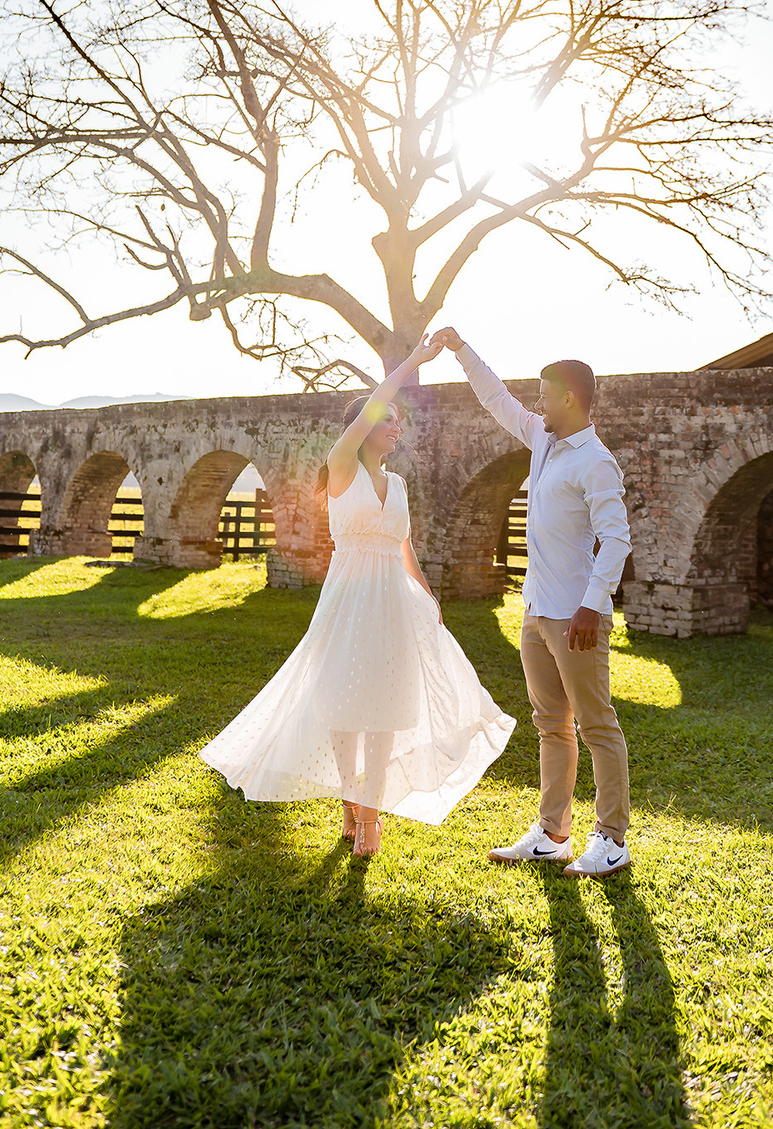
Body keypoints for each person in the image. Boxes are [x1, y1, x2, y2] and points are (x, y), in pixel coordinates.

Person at [199, 336, 516, 858]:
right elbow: (375, 406)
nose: (397, 427)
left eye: (398, 421)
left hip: (394, 597)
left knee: (387, 705)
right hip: (348, 595)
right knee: (344, 702)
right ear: (366, 428)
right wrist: (412, 363)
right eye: (388, 420)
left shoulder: (400, 484)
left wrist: (428, 594)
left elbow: (405, 545)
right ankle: (351, 800)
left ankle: (369, 814)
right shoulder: (342, 467)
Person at [429, 326, 633, 880]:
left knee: (596, 725)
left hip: (577, 617)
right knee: (550, 724)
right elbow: (497, 398)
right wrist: (461, 349)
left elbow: (616, 538)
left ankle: (611, 840)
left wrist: (593, 605)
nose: (535, 403)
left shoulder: (596, 461)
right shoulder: (543, 438)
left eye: (544, 394)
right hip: (537, 610)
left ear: (569, 397)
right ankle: (551, 833)